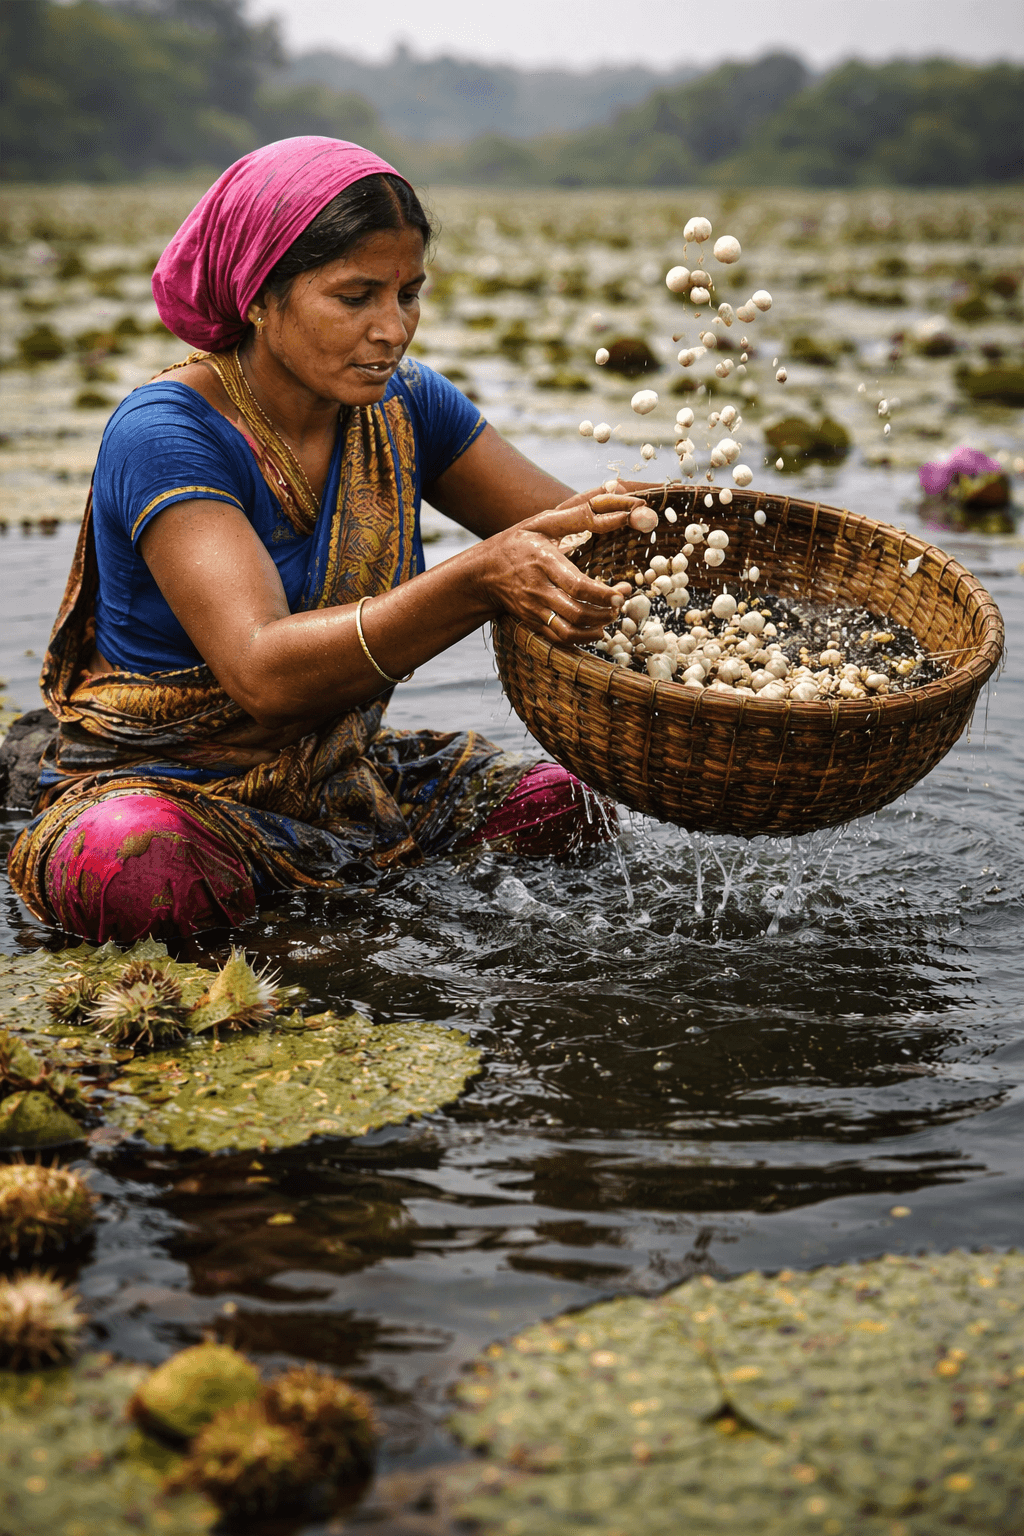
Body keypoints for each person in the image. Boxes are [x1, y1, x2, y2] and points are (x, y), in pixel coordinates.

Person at [8, 137, 643, 944]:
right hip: (166, 785)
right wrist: (478, 580)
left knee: (560, 810)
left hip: (333, 774)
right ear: (259, 296)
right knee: (140, 867)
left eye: (409, 293)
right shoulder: (166, 433)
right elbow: (264, 675)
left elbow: (589, 539)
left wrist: (703, 548)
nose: (393, 329)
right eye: (355, 297)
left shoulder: (406, 404)